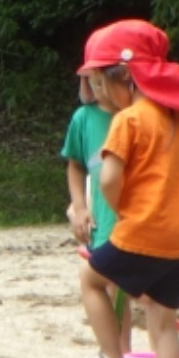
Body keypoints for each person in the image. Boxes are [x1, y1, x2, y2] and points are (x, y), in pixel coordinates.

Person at [62, 21, 179, 358]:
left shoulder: (128, 120)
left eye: (102, 85)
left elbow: (108, 179)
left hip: (143, 230)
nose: (100, 94)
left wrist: (123, 208)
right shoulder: (176, 120)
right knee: (163, 323)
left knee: (91, 280)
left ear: (126, 76)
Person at [60, 73, 114, 249]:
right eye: (89, 79)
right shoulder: (83, 117)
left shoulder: (139, 115)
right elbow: (75, 165)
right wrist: (80, 208)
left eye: (99, 80)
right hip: (103, 228)